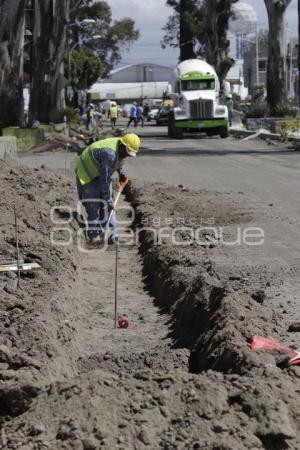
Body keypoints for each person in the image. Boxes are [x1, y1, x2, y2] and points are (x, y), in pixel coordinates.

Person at [75, 133, 141, 244]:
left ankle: (112, 234)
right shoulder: (109, 153)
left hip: (100, 171)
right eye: (126, 152)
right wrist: (109, 201)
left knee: (107, 206)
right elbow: (104, 181)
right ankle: (94, 235)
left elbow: (121, 160)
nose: (127, 155)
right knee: (94, 204)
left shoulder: (121, 147)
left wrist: (122, 173)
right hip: (87, 173)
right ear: (122, 145)